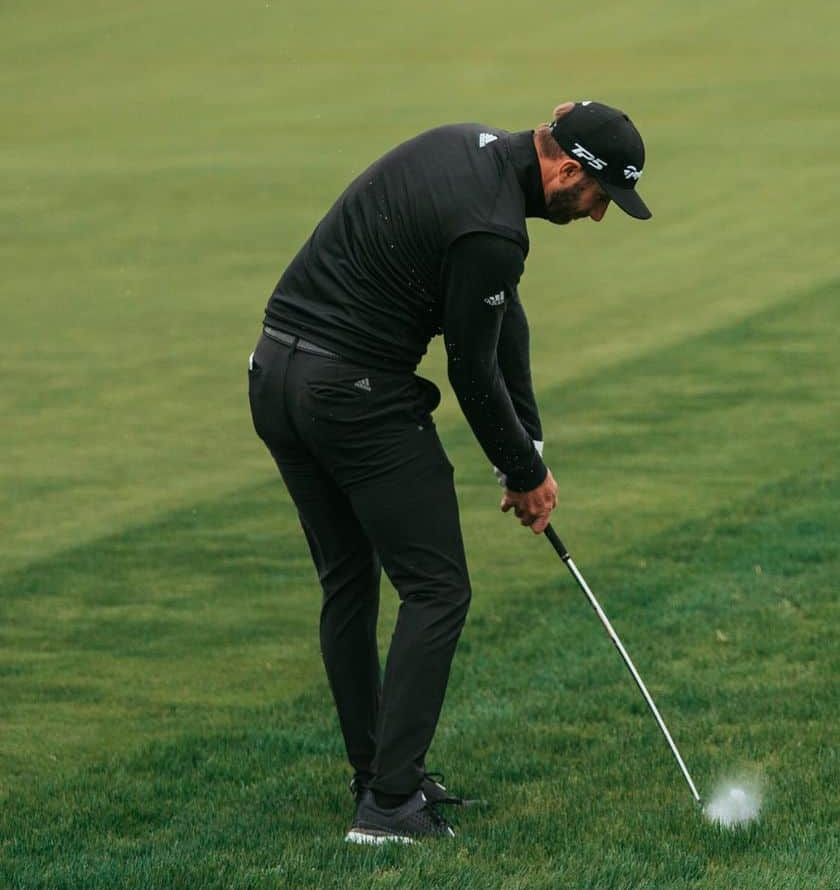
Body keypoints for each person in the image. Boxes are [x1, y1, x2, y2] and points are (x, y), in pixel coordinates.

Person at [248, 100, 651, 845]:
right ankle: (388, 808)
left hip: (274, 373)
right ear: (566, 170)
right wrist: (525, 475)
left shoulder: (473, 153)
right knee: (437, 589)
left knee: (349, 580)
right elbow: (469, 371)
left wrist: (526, 444)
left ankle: (378, 778)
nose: (598, 217)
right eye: (600, 198)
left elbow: (502, 324)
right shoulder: (492, 230)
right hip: (351, 395)